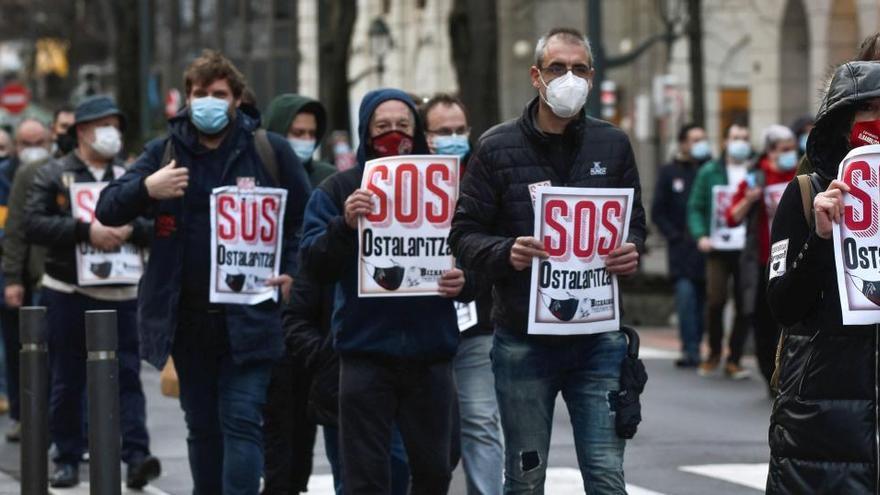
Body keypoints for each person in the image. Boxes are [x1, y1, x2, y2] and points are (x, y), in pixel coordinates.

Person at [95, 50, 311, 494]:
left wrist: (292, 271)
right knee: (203, 427)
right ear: (187, 99)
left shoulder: (269, 152)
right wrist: (147, 188)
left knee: (242, 421)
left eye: (219, 94)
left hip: (251, 318)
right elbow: (108, 207)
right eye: (200, 94)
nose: (208, 101)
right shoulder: (165, 152)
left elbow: (307, 222)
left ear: (236, 99)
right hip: (188, 321)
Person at [449, 27, 646, 493]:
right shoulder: (496, 147)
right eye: (557, 68)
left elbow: (636, 222)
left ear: (593, 77)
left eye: (579, 68)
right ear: (536, 76)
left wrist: (630, 249)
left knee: (605, 474)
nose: (569, 77)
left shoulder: (612, 144)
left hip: (598, 338)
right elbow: (462, 234)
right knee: (525, 474)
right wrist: (506, 252)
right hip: (523, 339)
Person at [300, 88, 470, 494]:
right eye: (382, 127)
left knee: (435, 469)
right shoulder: (338, 189)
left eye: (403, 126)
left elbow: (476, 252)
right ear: (365, 131)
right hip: (365, 353)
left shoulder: (448, 187)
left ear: (418, 133)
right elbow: (314, 263)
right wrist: (343, 225)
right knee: (366, 477)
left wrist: (467, 281)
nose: (393, 134)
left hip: (430, 352)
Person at [23, 96, 160, 488]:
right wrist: (85, 231)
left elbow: (159, 226)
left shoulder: (132, 177)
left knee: (128, 375)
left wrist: (132, 231)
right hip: (68, 288)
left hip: (121, 291)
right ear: (82, 131)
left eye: (116, 125)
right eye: (103, 125)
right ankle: (67, 454)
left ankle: (136, 454)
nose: (111, 134)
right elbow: (33, 224)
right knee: (67, 376)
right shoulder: (53, 174)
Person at [765, 60, 880, 494]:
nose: (878, 118)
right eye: (868, 107)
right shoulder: (805, 194)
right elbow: (783, 304)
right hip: (820, 420)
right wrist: (820, 237)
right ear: (841, 120)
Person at [421, 92, 503, 495]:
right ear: (425, 136)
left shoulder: (484, 176)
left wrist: (471, 279)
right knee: (428, 429)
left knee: (481, 420)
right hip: (420, 325)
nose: (454, 137)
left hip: (477, 322)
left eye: (459, 130)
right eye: (443, 131)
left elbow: (498, 244)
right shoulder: (410, 180)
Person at [725, 125, 798, 389]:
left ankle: (789, 375)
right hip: (762, 262)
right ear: (770, 151)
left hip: (793, 262)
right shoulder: (757, 177)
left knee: (788, 320)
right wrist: (749, 199)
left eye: (792, 148)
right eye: (784, 150)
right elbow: (731, 217)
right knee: (762, 320)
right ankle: (770, 375)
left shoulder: (801, 173)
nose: (791, 154)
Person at [687, 122, 752, 379]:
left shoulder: (753, 171)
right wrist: (700, 234)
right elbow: (696, 206)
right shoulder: (710, 171)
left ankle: (734, 358)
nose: (741, 142)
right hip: (718, 246)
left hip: (746, 248)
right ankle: (714, 352)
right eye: (736, 137)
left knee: (745, 302)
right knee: (716, 299)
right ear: (725, 141)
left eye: (745, 138)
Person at [1, 119, 53, 440]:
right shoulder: (8, 176)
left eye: (38, 141)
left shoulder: (56, 172)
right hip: (16, 277)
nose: (32, 149)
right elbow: (14, 233)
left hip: (45, 276)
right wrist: (10, 278)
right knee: (18, 351)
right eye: (25, 143)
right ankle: (23, 415)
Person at [652, 123, 711, 368]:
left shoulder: (711, 170)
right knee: (686, 301)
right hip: (681, 251)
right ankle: (690, 349)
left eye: (703, 139)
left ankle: (705, 344)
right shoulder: (669, 172)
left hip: (708, 249)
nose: (700, 145)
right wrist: (674, 235)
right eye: (695, 140)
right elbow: (658, 211)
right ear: (683, 143)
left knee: (707, 303)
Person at [266, 94, 337, 188]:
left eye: (312, 133)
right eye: (298, 133)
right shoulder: (259, 174)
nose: (307, 139)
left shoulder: (329, 178)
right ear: (278, 131)